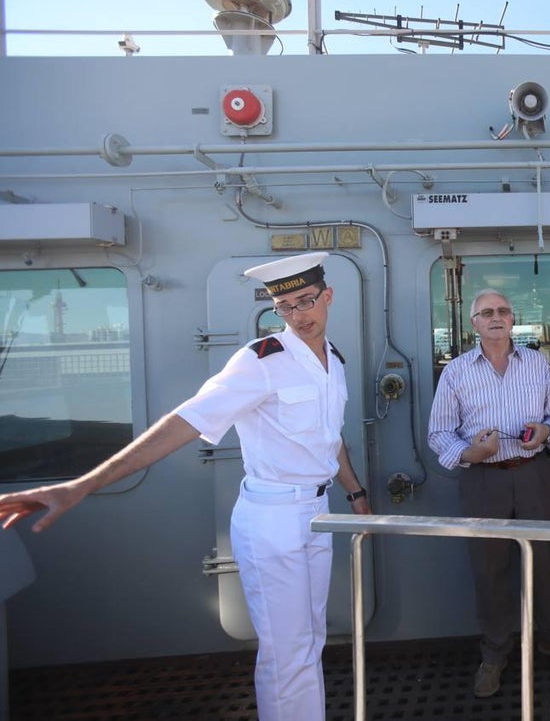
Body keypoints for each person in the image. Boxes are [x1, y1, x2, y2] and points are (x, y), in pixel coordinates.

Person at [0, 251, 371, 721]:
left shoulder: (331, 361)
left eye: (307, 301)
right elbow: (185, 421)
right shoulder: (258, 362)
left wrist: (355, 492)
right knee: (287, 652)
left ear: (328, 296)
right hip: (274, 519)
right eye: (286, 307)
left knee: (309, 640)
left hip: (318, 515)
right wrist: (83, 484)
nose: (299, 316)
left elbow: (329, 437)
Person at [427, 288, 550, 699]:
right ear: (473, 323)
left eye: (503, 311)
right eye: (486, 312)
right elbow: (439, 432)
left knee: (542, 562)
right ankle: (494, 652)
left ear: (513, 319)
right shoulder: (456, 372)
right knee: (489, 568)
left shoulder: (535, 363)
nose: (496, 317)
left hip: (533, 473)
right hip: (483, 479)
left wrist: (547, 431)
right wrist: (469, 452)